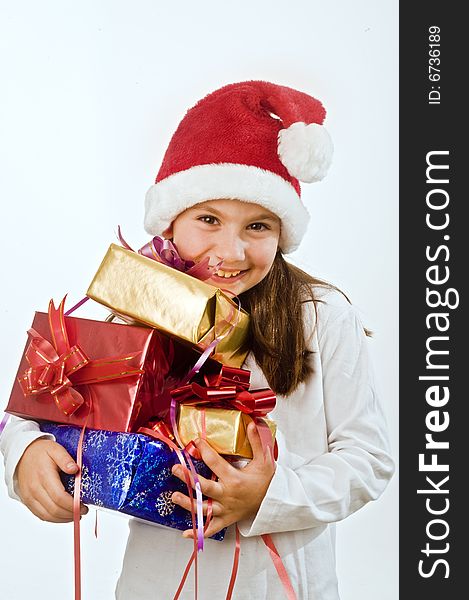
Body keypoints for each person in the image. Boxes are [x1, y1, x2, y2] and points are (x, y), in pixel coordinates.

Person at [1, 80, 395, 599]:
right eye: (208, 219)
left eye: (258, 226)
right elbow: (35, 410)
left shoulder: (320, 315)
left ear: (283, 233)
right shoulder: (132, 303)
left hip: (284, 587)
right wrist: (25, 452)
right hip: (158, 582)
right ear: (172, 220)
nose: (229, 251)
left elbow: (368, 459)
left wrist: (270, 494)